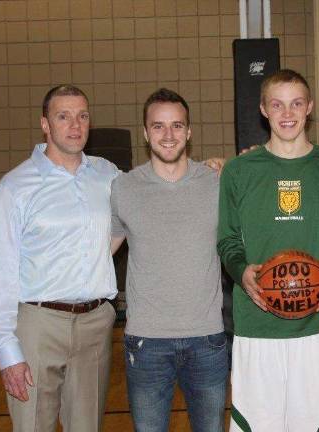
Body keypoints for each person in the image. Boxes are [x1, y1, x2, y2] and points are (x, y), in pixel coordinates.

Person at [218, 69, 319, 432]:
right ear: (263, 109)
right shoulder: (238, 171)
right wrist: (241, 272)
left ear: (309, 107)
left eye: (296, 103)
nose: (287, 113)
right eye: (277, 104)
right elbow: (227, 241)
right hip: (257, 325)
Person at [0, 85, 118, 431]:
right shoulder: (14, 188)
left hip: (94, 324)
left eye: (83, 116)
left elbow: (149, 202)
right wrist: (7, 354)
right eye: (64, 116)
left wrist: (214, 169)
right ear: (45, 124)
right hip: (38, 325)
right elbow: (0, 275)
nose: (75, 124)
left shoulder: (108, 175)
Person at [110, 88, 228, 432]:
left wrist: (235, 161)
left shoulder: (217, 182)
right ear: (146, 133)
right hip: (146, 343)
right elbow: (102, 251)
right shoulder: (124, 188)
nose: (168, 135)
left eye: (177, 126)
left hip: (207, 339)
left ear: (189, 132)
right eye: (158, 126)